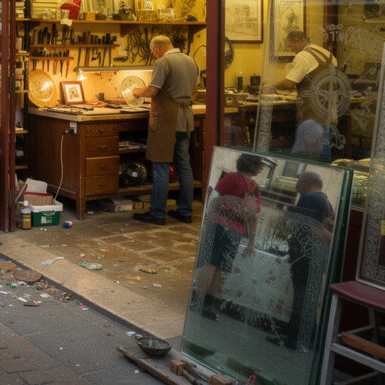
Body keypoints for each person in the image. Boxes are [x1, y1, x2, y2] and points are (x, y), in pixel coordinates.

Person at [131, 35, 199, 225]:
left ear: (157, 48)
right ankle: (185, 211)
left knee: (160, 166)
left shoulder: (163, 62)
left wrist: (137, 91)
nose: (154, 54)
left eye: (153, 51)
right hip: (185, 119)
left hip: (167, 120)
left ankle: (157, 213)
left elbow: (152, 91)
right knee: (184, 166)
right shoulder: (191, 61)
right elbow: (195, 89)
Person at [268, 171, 334, 351]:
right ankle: (304, 335)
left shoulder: (309, 199)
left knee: (301, 296)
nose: (297, 184)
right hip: (317, 254)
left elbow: (300, 226)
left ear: (307, 181)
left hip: (305, 254)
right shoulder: (326, 202)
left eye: (299, 181)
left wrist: (288, 218)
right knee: (307, 296)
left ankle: (293, 338)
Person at [195, 152, 264, 321]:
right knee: (220, 269)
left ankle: (197, 301)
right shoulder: (255, 187)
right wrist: (252, 241)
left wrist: (208, 216)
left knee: (210, 265)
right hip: (237, 231)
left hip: (220, 225)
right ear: (254, 167)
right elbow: (255, 212)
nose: (262, 168)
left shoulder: (233, 177)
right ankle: (207, 306)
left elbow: (215, 196)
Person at [267, 31, 338, 157]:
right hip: (328, 110)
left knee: (309, 154)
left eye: (290, 46)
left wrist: (271, 85)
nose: (291, 49)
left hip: (312, 112)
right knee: (324, 149)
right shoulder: (328, 54)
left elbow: (290, 83)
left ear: (298, 42)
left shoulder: (304, 56)